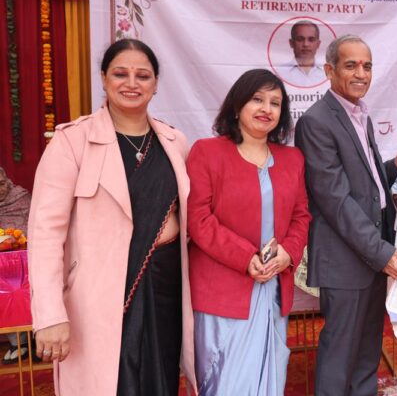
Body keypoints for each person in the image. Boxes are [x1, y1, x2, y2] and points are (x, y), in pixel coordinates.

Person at [27, 39, 196, 395]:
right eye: (120, 74)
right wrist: (50, 315)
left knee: (161, 383)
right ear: (103, 78)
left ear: (156, 84)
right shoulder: (72, 141)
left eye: (143, 76)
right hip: (96, 300)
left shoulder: (174, 142)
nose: (131, 83)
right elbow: (45, 234)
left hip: (164, 293)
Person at [294, 34, 397, 396]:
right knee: (340, 352)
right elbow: (335, 200)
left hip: (373, 254)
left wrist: (393, 167)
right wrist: (382, 253)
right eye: (351, 65)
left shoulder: (360, 115)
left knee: (367, 350)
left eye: (367, 66)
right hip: (346, 259)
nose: (361, 73)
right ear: (329, 71)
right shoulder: (315, 122)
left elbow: (365, 185)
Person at [186, 69, 310, 395]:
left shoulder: (292, 159)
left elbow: (301, 216)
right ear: (238, 104)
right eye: (257, 99)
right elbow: (198, 219)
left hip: (273, 287)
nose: (266, 109)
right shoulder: (207, 152)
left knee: (270, 382)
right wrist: (245, 258)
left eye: (275, 103)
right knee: (225, 384)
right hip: (222, 291)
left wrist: (288, 253)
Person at [0, 166, 32, 364]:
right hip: (1, 267)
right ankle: (17, 343)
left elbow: (37, 225)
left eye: (2, 184)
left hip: (27, 261)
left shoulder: (21, 198)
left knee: (25, 295)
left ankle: (34, 339)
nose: (0, 189)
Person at [280, 20, 326, 87]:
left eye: (311, 39)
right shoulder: (279, 73)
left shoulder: (328, 73)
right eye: (300, 39)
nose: (306, 44)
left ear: (318, 44)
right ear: (291, 43)